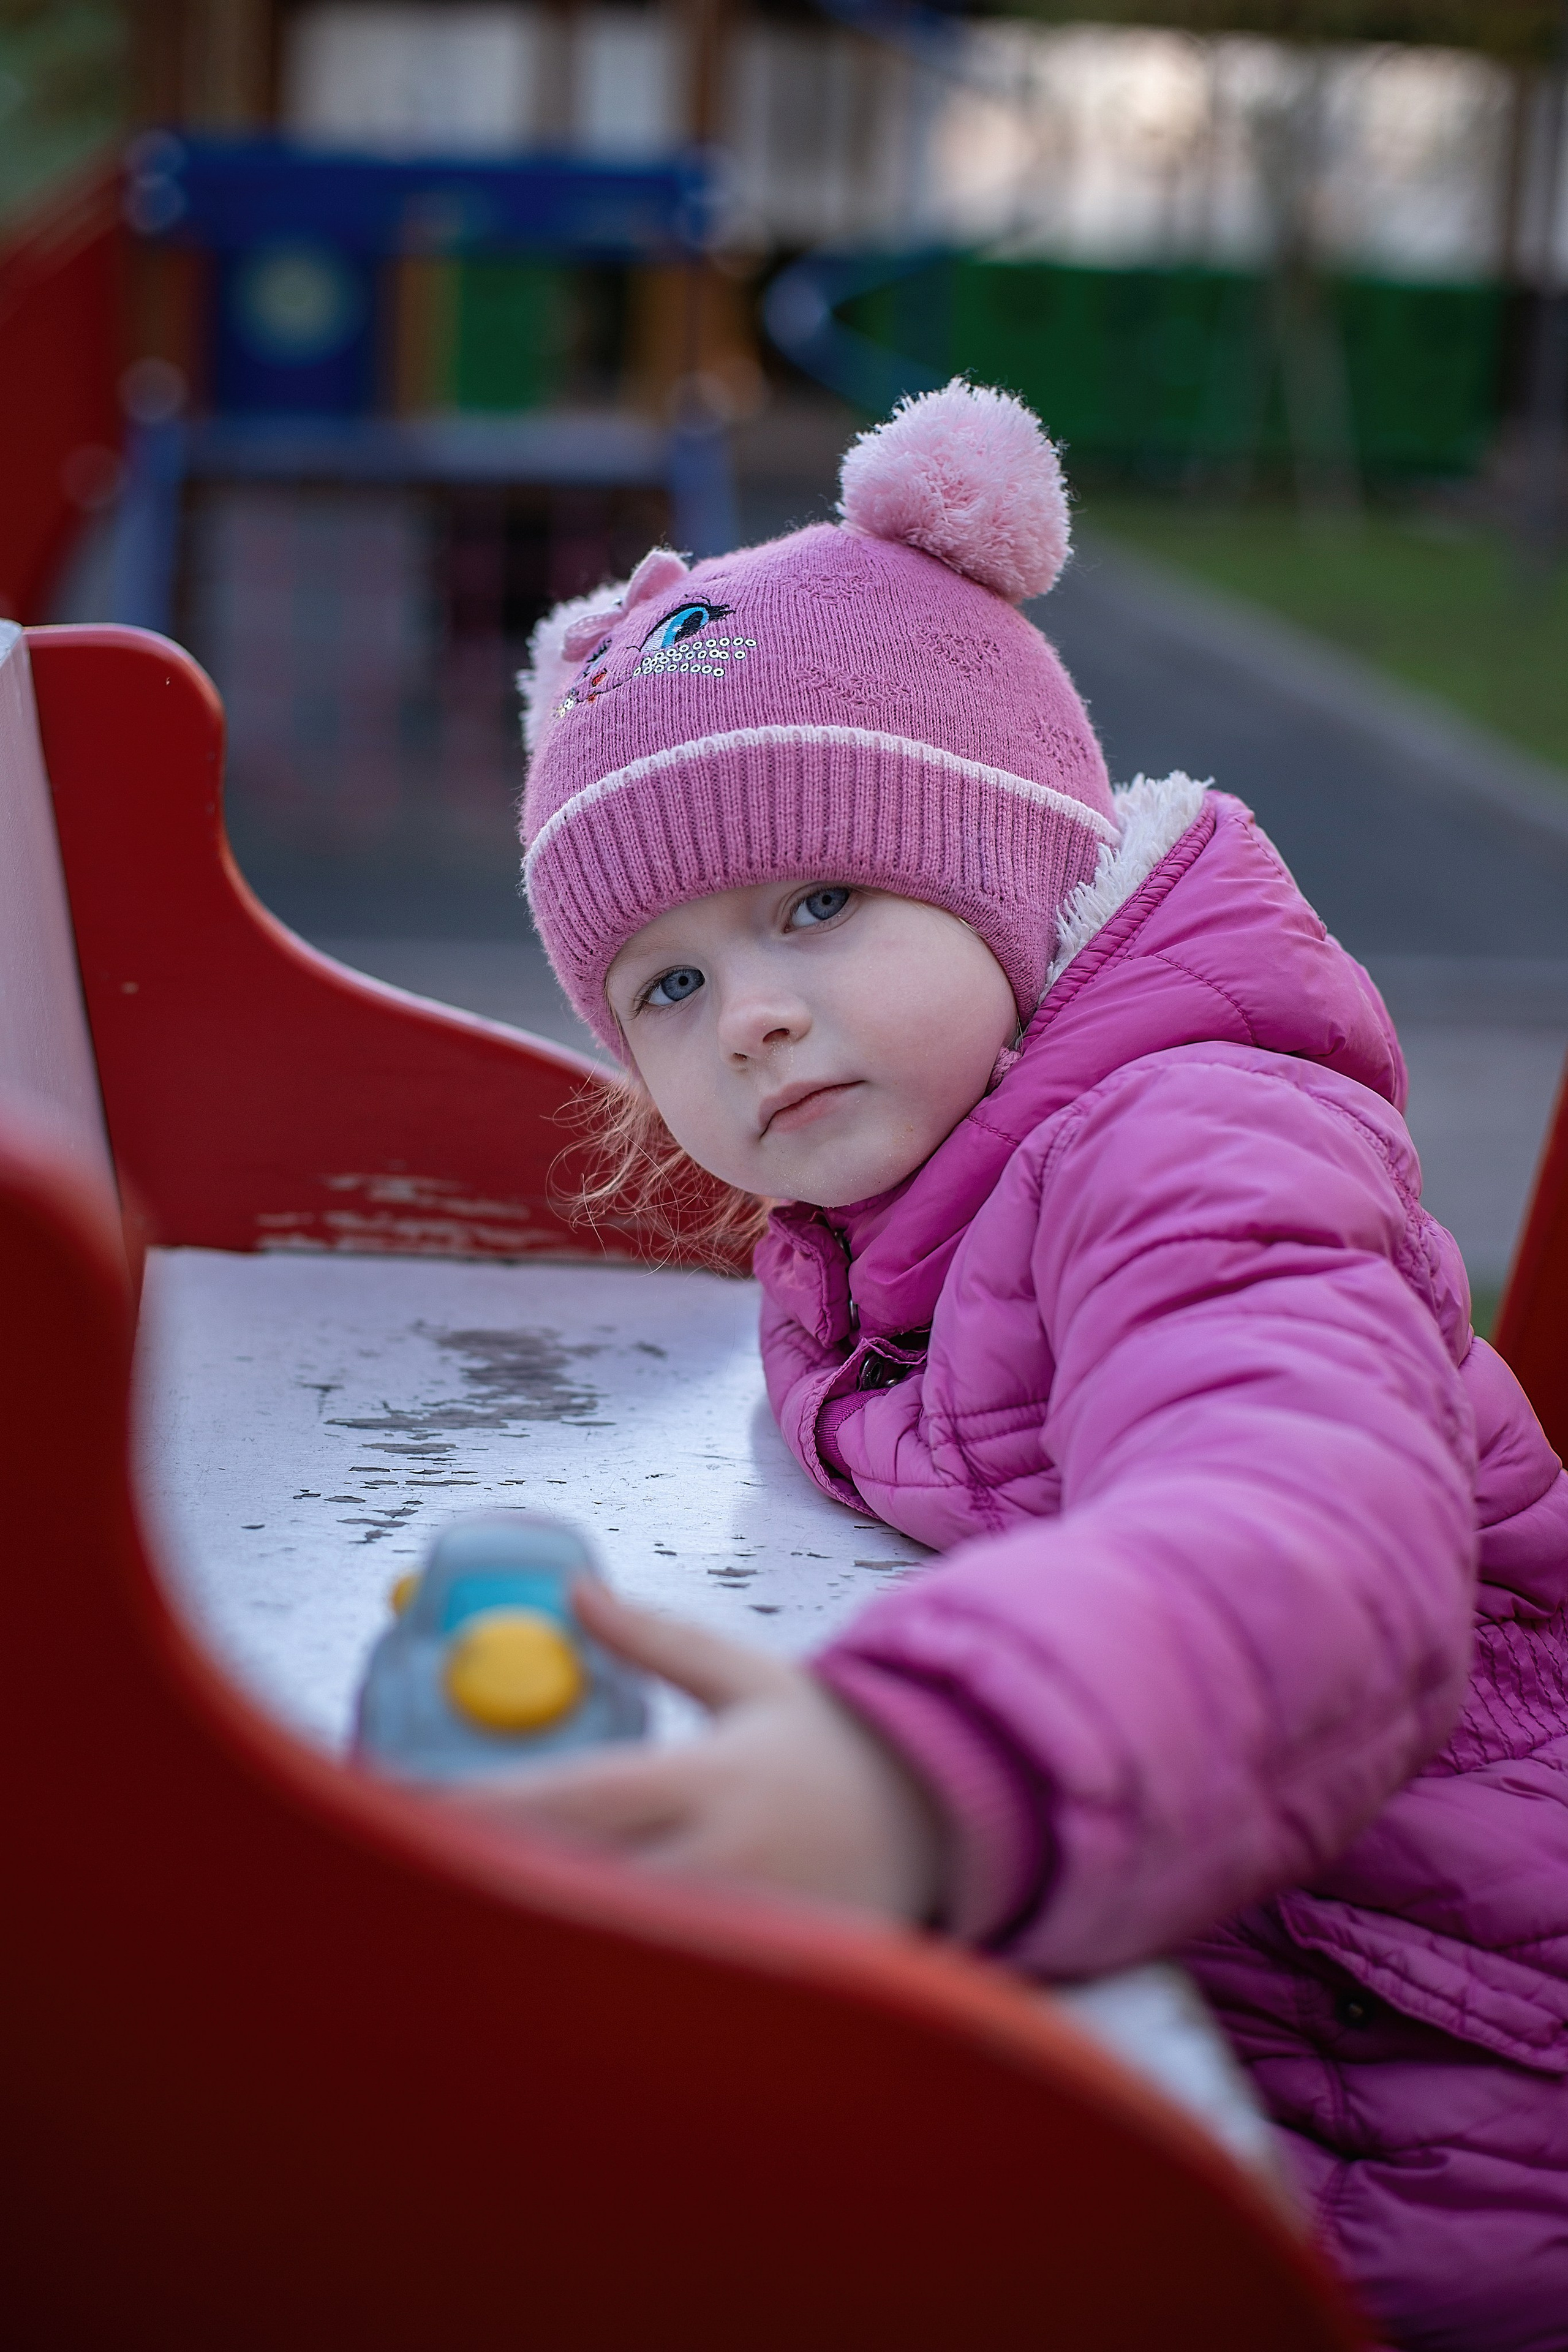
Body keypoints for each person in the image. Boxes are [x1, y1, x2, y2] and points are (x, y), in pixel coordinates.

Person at [461, 380, 1568, 2350]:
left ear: (1010, 874)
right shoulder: (905, 1205)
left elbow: (1304, 1532)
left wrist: (926, 1767)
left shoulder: (1194, 1142)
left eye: (821, 903)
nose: (760, 1020)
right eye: (671, 984)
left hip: (1442, 2044)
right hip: (1232, 1919)